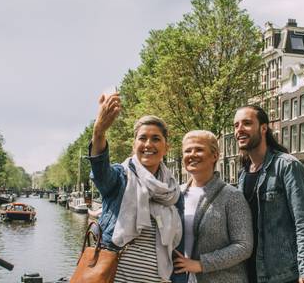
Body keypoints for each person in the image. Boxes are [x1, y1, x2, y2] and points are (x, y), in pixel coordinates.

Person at [88, 93, 186, 283]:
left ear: (166, 147)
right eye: (143, 138)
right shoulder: (120, 178)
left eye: (156, 139)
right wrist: (98, 132)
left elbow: (177, 249)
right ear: (134, 146)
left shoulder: (173, 192)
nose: (149, 144)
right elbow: (100, 172)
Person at [234, 105, 304, 283]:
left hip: (282, 275)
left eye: (247, 123)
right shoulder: (242, 174)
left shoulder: (287, 166)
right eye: (236, 125)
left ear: (263, 128)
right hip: (250, 273)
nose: (239, 129)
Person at [173, 130, 253, 283]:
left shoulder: (231, 196)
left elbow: (244, 246)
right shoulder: (176, 195)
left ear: (215, 155)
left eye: (199, 149)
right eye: (187, 150)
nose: (192, 154)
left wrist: (201, 264)